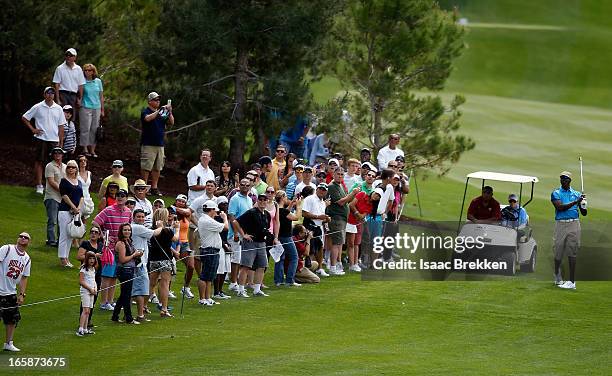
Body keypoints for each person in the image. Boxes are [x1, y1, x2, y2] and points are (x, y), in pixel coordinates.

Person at [233, 194, 279, 297]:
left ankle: (257, 290)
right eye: (260, 200)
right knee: (246, 266)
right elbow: (236, 222)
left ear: (267, 202)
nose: (262, 202)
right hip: (251, 242)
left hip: (262, 242)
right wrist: (243, 234)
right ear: (257, 201)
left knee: (262, 266)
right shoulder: (251, 212)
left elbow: (265, 227)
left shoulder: (266, 214)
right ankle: (241, 290)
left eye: (265, 200)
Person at [93, 188, 132, 311]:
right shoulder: (109, 210)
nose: (120, 198)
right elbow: (95, 222)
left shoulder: (128, 212)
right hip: (109, 249)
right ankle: (103, 302)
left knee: (114, 277)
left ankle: (110, 301)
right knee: (106, 277)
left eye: (122, 196)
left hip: (121, 248)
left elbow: (128, 228)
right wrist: (103, 235)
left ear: (126, 198)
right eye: (118, 195)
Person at [22, 86, 65, 194]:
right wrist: (33, 129)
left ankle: (52, 185)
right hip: (41, 138)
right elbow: (25, 117)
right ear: (44, 94)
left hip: (54, 139)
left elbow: (61, 126)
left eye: (52, 93)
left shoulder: (58, 108)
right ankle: (39, 185)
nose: (50, 95)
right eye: (48, 93)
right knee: (39, 161)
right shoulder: (38, 106)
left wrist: (61, 142)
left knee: (55, 163)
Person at [551, 171, 587, 290]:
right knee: (558, 252)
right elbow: (560, 208)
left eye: (565, 179)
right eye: (561, 178)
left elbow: (584, 213)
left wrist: (583, 204)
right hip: (560, 224)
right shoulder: (555, 193)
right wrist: (576, 202)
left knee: (572, 252)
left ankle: (572, 281)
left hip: (574, 224)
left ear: (569, 181)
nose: (563, 180)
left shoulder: (576, 194)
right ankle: (557, 275)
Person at [0, 232, 31, 352]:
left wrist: (22, 294)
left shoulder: (27, 259)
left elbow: (24, 277)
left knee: (12, 319)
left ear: (29, 242)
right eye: (21, 236)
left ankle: (8, 343)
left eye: (26, 238)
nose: (23, 238)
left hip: (11, 292)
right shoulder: (6, 249)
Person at [131, 209, 164, 322]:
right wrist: (160, 226)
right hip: (138, 263)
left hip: (141, 262)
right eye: (138, 217)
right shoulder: (136, 227)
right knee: (142, 289)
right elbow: (155, 233)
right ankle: (140, 315)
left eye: (142, 217)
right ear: (133, 218)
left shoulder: (140, 227)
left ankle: (130, 313)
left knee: (135, 289)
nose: (141, 218)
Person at [327, 168, 360, 275]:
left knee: (340, 243)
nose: (340, 176)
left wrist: (353, 195)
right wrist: (353, 193)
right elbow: (342, 202)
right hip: (336, 218)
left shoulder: (341, 185)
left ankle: (336, 264)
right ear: (333, 175)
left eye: (342, 174)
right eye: (338, 174)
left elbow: (347, 200)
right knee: (336, 243)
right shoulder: (332, 186)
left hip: (343, 218)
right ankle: (332, 267)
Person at [141, 91, 174, 196]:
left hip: (160, 144)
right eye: (155, 100)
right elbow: (147, 118)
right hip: (148, 143)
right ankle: (144, 186)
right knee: (146, 166)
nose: (158, 101)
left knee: (157, 167)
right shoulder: (145, 111)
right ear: (150, 101)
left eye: (158, 100)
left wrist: (170, 112)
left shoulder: (162, 113)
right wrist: (159, 110)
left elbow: (171, 122)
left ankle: (154, 188)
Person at [148, 208, 179, 317]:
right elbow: (176, 239)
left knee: (151, 284)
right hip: (165, 260)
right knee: (164, 284)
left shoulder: (151, 229)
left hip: (153, 259)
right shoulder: (167, 231)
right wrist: (177, 229)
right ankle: (164, 308)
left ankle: (144, 306)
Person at [197, 200, 228, 306]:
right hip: (209, 250)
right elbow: (226, 227)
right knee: (205, 276)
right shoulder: (207, 221)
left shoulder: (206, 219)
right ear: (211, 210)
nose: (216, 213)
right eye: (215, 211)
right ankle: (202, 299)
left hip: (213, 250)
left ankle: (208, 297)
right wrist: (225, 218)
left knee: (210, 276)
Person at [112, 223, 143, 324]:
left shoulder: (128, 241)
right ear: (121, 231)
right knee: (127, 295)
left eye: (129, 230)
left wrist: (138, 254)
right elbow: (122, 259)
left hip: (130, 270)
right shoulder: (121, 243)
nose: (127, 232)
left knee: (124, 294)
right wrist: (134, 255)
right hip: (124, 271)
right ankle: (129, 318)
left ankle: (115, 315)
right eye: (125, 230)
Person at [226, 178, 254, 293]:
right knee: (236, 259)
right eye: (242, 185)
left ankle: (236, 280)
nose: (245, 187)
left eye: (247, 185)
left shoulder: (249, 199)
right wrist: (236, 233)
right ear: (239, 186)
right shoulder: (235, 198)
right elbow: (232, 217)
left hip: (245, 233)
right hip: (236, 233)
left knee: (241, 259)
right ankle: (233, 282)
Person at [302, 183, 332, 277]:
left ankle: (319, 268)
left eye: (324, 190)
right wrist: (319, 217)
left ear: (326, 192)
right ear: (317, 189)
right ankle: (307, 268)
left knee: (320, 247)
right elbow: (304, 213)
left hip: (319, 227)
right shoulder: (310, 199)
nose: (321, 191)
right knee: (309, 249)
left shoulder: (323, 202)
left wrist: (326, 219)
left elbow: (320, 218)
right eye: (320, 189)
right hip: (309, 225)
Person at [58, 160, 84, 267]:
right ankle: (62, 258)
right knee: (64, 234)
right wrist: (73, 207)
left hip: (76, 212)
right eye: (69, 167)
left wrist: (78, 208)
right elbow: (64, 195)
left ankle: (67, 257)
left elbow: (82, 196)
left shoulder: (79, 182)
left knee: (71, 234)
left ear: (76, 169)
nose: (71, 169)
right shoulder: (64, 181)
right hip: (65, 210)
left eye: (73, 167)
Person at [77, 227, 103, 329]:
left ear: (99, 235)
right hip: (87, 273)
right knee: (85, 299)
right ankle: (82, 321)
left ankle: (88, 319)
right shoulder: (85, 244)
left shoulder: (100, 245)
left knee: (94, 297)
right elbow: (79, 256)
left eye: (96, 232)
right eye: (92, 232)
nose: (93, 234)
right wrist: (94, 256)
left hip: (97, 273)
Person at [274, 191, 302, 286]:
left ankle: (279, 280)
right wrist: (298, 206)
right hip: (286, 237)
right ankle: (290, 280)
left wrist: (291, 204)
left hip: (278, 236)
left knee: (280, 258)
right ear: (282, 198)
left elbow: (286, 212)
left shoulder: (277, 209)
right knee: (294, 257)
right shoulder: (283, 211)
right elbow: (296, 217)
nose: (287, 198)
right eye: (285, 197)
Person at [172, 194, 195, 299]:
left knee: (191, 266)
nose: (181, 203)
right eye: (179, 201)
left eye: (183, 202)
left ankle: (186, 287)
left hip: (185, 243)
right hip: (174, 242)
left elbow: (195, 220)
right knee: (170, 268)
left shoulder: (187, 214)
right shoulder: (172, 213)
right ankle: (166, 290)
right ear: (176, 201)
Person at [79, 63, 104, 158]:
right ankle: (85, 148)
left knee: (95, 129)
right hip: (85, 106)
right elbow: (80, 94)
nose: (87, 72)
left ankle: (92, 149)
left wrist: (102, 109)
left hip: (96, 107)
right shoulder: (82, 81)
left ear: (93, 71)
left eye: (90, 70)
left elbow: (101, 96)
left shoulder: (98, 82)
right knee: (85, 128)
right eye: (86, 70)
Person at [44, 147, 67, 247]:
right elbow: (51, 181)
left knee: (61, 221)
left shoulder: (66, 167)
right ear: (52, 155)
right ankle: (51, 240)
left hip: (62, 198)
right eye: (55, 153)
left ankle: (60, 241)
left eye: (60, 153)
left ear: (62, 155)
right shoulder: (50, 166)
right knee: (52, 220)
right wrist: (63, 191)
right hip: (52, 196)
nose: (58, 154)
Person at [213, 196, 232, 299]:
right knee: (219, 270)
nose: (225, 205)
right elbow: (220, 233)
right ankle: (216, 292)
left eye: (226, 203)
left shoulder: (225, 216)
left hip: (225, 244)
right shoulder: (217, 217)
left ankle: (220, 290)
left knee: (225, 269)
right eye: (222, 203)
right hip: (220, 245)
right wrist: (224, 246)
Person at [77, 251, 97, 336]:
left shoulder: (93, 269)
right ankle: (80, 329)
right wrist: (89, 289)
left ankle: (85, 328)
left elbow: (94, 280)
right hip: (85, 291)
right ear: (86, 259)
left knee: (88, 311)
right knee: (85, 310)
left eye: (93, 258)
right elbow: (81, 281)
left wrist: (95, 289)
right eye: (90, 258)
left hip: (92, 292)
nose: (92, 260)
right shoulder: (83, 269)